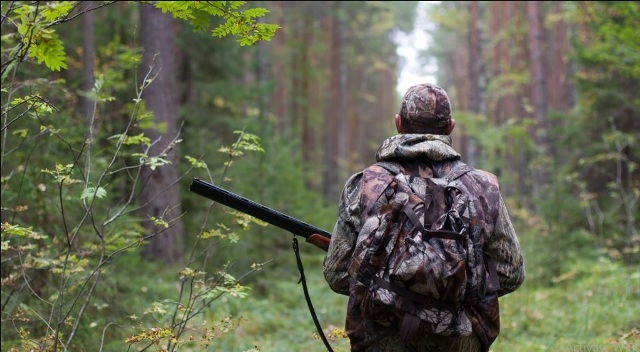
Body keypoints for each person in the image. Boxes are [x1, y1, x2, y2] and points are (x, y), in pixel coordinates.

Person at [322, 83, 525, 352]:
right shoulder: (483, 187)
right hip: (460, 340)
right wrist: (454, 292)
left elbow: (337, 274)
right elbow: (510, 273)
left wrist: (389, 294)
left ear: (398, 124)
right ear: (450, 127)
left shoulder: (366, 184)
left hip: (380, 338)